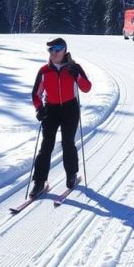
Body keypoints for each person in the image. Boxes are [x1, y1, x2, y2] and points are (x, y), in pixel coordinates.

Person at [30, 37, 91, 195]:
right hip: (51, 110)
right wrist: (39, 108)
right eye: (50, 50)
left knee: (67, 143)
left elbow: (86, 88)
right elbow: (36, 94)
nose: (54, 53)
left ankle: (71, 174)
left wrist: (77, 75)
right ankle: (39, 181)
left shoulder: (73, 67)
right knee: (46, 145)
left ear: (64, 50)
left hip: (70, 108)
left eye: (57, 49)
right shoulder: (44, 71)